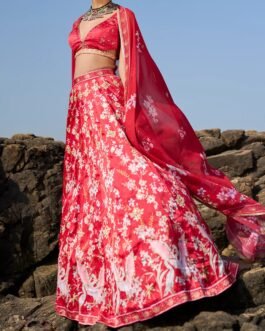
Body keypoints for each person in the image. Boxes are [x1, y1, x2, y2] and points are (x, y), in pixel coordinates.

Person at [55, 0, 265, 327]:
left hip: (109, 103)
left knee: (143, 181)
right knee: (95, 198)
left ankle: (179, 269)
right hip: (81, 112)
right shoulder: (79, 19)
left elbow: (130, 68)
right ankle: (115, 288)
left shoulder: (122, 15)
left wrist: (132, 117)